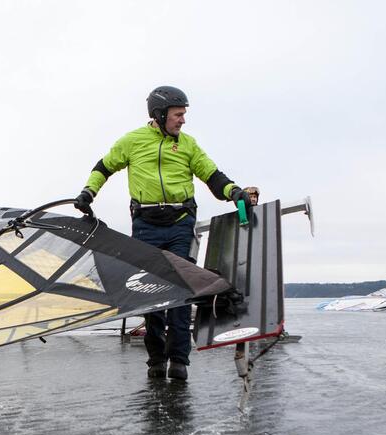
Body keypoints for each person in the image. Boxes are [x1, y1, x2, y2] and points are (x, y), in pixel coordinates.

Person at [73, 85, 254, 380]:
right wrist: (88, 192)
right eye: (178, 115)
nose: (182, 120)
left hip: (180, 222)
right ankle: (156, 358)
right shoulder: (133, 141)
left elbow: (211, 174)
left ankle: (179, 360)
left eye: (183, 115)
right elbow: (103, 167)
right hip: (145, 224)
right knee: (151, 294)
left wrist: (233, 191)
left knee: (181, 292)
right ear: (159, 114)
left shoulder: (188, 145)